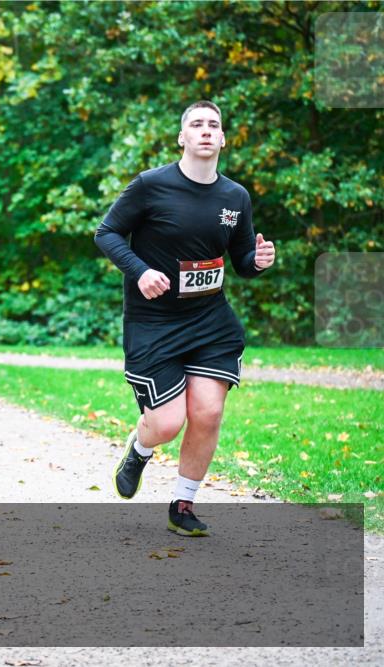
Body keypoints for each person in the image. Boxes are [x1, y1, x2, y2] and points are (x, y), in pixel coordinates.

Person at [94, 100, 276, 536]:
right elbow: (107, 233)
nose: (206, 131)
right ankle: (139, 449)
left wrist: (259, 260)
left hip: (210, 321)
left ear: (224, 138)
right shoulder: (151, 185)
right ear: (182, 137)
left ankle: (183, 504)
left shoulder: (235, 197)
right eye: (197, 124)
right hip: (153, 322)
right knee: (167, 423)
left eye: (214, 124)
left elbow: (242, 260)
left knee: (208, 412)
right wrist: (140, 272)